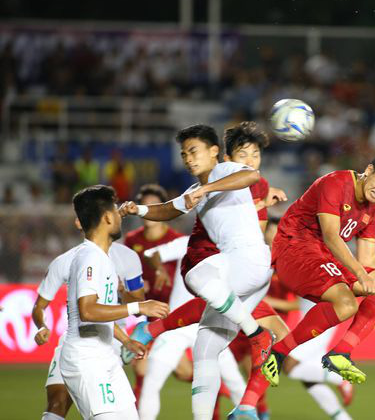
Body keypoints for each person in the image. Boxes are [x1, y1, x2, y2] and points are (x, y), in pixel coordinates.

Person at [118, 124, 274, 420]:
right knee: (205, 351)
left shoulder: (224, 171)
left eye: (194, 151)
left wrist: (207, 189)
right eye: (183, 154)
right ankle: (238, 411)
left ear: (215, 151)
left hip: (247, 260)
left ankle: (257, 335)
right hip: (245, 274)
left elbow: (252, 175)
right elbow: (168, 209)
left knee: (195, 275)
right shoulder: (195, 190)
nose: (188, 159)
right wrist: (137, 210)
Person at [260, 147, 375, 387]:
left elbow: (369, 258)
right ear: (369, 170)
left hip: (324, 259)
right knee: (346, 303)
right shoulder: (336, 182)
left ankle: (341, 353)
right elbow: (332, 236)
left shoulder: (372, 210)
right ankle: (280, 353)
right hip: (294, 250)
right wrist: (361, 275)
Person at [59, 185, 169, 419]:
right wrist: (139, 306)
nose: (121, 215)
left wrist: (127, 341)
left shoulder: (102, 257)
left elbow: (102, 312)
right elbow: (87, 311)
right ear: (108, 217)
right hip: (87, 360)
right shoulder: (90, 259)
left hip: (106, 355)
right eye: (116, 211)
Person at [33, 219, 146, 420]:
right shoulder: (65, 261)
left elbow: (138, 306)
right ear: (79, 222)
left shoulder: (127, 257)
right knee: (57, 402)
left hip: (109, 344)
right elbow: (39, 306)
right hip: (76, 343)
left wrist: (121, 295)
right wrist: (41, 326)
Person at [136, 235, 246, 420]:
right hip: (177, 326)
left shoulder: (234, 249)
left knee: (236, 383)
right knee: (152, 381)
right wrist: (159, 269)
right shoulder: (190, 242)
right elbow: (152, 254)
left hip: (211, 327)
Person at [124, 184, 184, 399]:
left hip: (174, 316)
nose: (148, 210)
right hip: (147, 316)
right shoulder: (132, 240)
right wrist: (136, 288)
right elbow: (123, 275)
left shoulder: (177, 241)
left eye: (153, 205)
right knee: (141, 369)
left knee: (186, 372)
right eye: (144, 205)